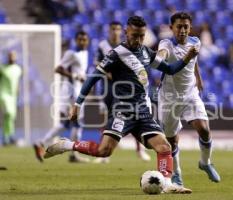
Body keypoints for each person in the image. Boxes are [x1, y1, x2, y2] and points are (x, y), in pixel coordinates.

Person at [44, 16, 199, 193]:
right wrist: (78, 103)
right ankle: (67, 145)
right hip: (122, 111)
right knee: (104, 151)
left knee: (164, 147)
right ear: (127, 32)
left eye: (142, 36)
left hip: (142, 111)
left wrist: (187, 58)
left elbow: (170, 69)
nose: (138, 40)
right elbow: (93, 77)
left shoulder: (147, 52)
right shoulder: (116, 54)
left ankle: (167, 182)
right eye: (134, 36)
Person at [157, 12, 221, 191]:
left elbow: (194, 61)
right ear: (172, 28)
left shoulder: (196, 42)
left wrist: (199, 78)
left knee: (204, 129)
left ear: (190, 28)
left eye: (186, 26)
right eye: (179, 26)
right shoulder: (166, 44)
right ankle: (177, 173)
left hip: (190, 94)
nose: (183, 30)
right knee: (172, 141)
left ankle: (205, 162)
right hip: (169, 98)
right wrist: (158, 58)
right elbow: (161, 56)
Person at [94, 21, 151, 163]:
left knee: (136, 115)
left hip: (127, 88)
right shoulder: (103, 46)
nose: (115, 32)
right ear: (109, 30)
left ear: (122, 31)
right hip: (108, 86)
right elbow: (97, 63)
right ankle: (104, 149)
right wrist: (108, 72)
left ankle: (140, 150)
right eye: (113, 29)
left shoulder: (127, 47)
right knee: (107, 117)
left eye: (118, 29)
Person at [33, 31, 90, 163]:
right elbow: (58, 68)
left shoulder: (85, 53)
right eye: (80, 39)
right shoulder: (71, 53)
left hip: (78, 90)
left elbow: (80, 72)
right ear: (76, 40)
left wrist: (83, 79)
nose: (82, 42)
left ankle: (40, 142)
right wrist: (74, 77)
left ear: (87, 41)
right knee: (78, 124)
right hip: (71, 92)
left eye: (85, 40)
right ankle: (74, 155)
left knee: (64, 123)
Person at [0, 51, 22, 146]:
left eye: (13, 56)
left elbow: (17, 83)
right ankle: (7, 137)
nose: (11, 57)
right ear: (7, 57)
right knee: (8, 113)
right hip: (3, 94)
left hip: (13, 96)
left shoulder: (18, 69)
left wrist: (18, 95)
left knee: (11, 117)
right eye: (10, 56)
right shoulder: (2, 68)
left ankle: (8, 137)